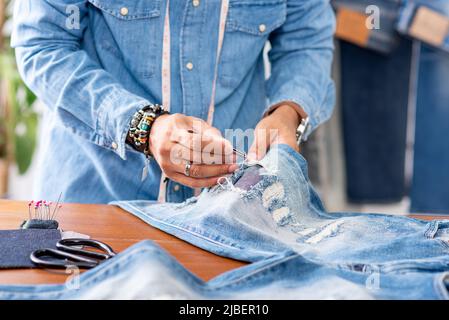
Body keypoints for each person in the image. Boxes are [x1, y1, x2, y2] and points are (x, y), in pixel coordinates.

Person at [11, 0, 335, 204]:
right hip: (96, 210)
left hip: (234, 213)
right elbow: (43, 45)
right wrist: (144, 126)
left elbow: (305, 41)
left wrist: (288, 112)